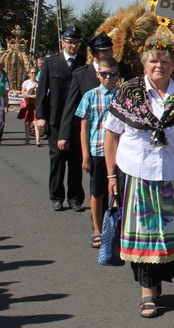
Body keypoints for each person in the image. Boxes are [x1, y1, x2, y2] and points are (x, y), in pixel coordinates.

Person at [104, 34, 174, 319]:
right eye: (154, 60)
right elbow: (112, 137)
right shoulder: (128, 92)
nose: (159, 66)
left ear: (173, 66)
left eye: (165, 61)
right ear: (144, 63)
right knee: (144, 236)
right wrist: (111, 176)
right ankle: (147, 291)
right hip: (137, 174)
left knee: (168, 238)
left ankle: (156, 281)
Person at [58, 32, 134, 188]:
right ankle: (75, 198)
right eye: (102, 50)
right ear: (93, 53)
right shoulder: (81, 74)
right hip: (94, 137)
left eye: (109, 49)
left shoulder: (124, 70)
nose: (107, 53)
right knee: (93, 181)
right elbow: (71, 105)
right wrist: (64, 134)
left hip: (120, 140)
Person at [36, 26, 87, 211]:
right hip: (55, 119)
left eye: (76, 42)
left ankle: (75, 199)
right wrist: (40, 116)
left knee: (75, 159)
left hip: (76, 120)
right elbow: (42, 91)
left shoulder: (83, 64)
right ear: (63, 42)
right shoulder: (51, 62)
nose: (73, 45)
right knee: (57, 158)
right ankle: (56, 197)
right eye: (69, 42)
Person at [75, 57, 120, 249]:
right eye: (104, 74)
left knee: (118, 191)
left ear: (118, 75)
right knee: (97, 191)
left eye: (112, 74)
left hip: (120, 153)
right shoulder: (90, 96)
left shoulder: (123, 95)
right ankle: (97, 229)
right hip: (98, 150)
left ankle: (117, 229)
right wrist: (85, 155)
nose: (108, 78)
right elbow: (84, 128)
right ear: (97, 74)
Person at [18, 67, 40, 146]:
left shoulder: (39, 82)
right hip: (28, 104)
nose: (33, 74)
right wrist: (30, 90)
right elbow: (23, 94)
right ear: (29, 74)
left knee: (36, 122)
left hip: (36, 104)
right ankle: (27, 139)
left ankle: (38, 140)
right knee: (28, 123)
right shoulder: (26, 83)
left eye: (35, 73)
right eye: (32, 73)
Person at [0, 59, 9, 144]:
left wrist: (6, 105)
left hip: (1, 99)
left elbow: (6, 92)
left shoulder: (5, 76)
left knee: (1, 120)